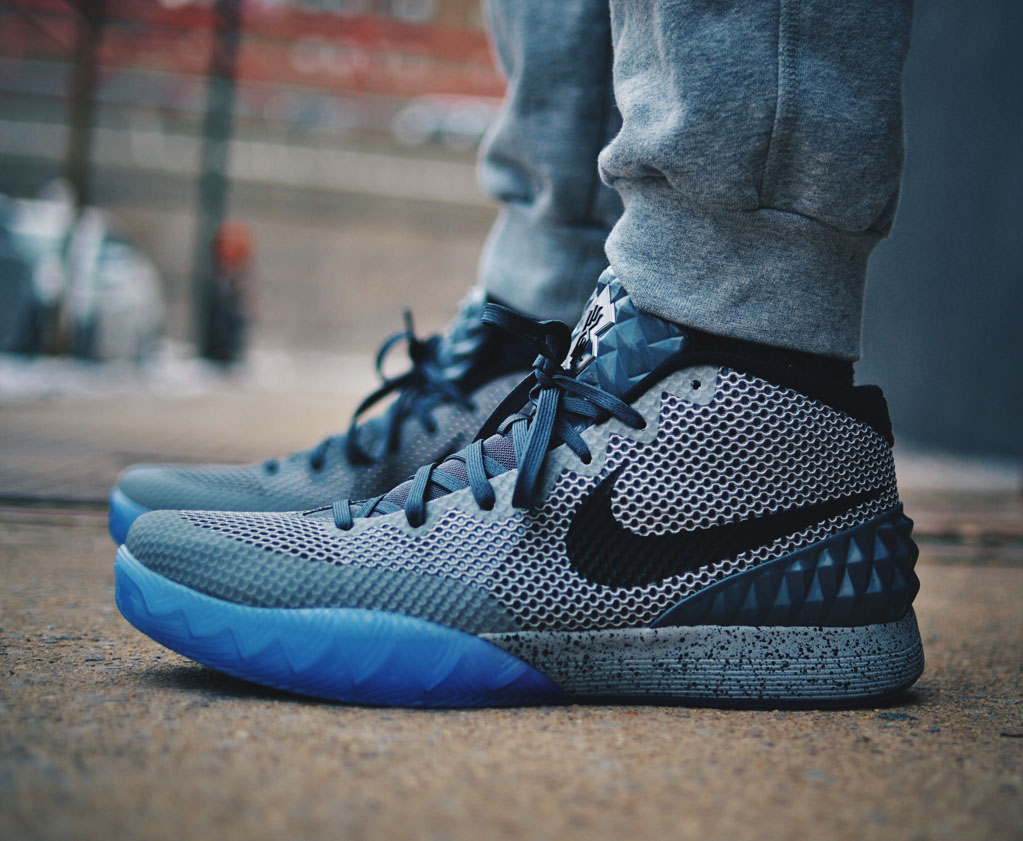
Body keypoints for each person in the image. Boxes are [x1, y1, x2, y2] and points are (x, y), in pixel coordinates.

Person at [110, 0, 922, 707]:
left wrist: (732, 256)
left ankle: (733, 371)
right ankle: (560, 303)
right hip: (594, 277)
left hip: (737, 362)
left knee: (717, 261)